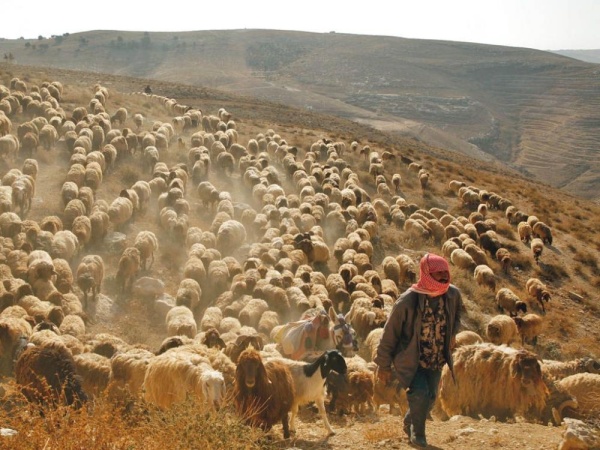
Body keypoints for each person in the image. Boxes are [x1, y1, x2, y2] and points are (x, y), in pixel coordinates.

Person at [374, 253, 463, 448]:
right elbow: (390, 333)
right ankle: (418, 435)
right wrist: (383, 365)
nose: (443, 277)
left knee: (431, 397)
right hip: (411, 358)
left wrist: (453, 333)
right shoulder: (407, 301)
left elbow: (458, 314)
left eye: (445, 272)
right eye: (438, 273)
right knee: (420, 393)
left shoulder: (452, 294)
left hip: (437, 357)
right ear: (426, 274)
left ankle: (409, 421)